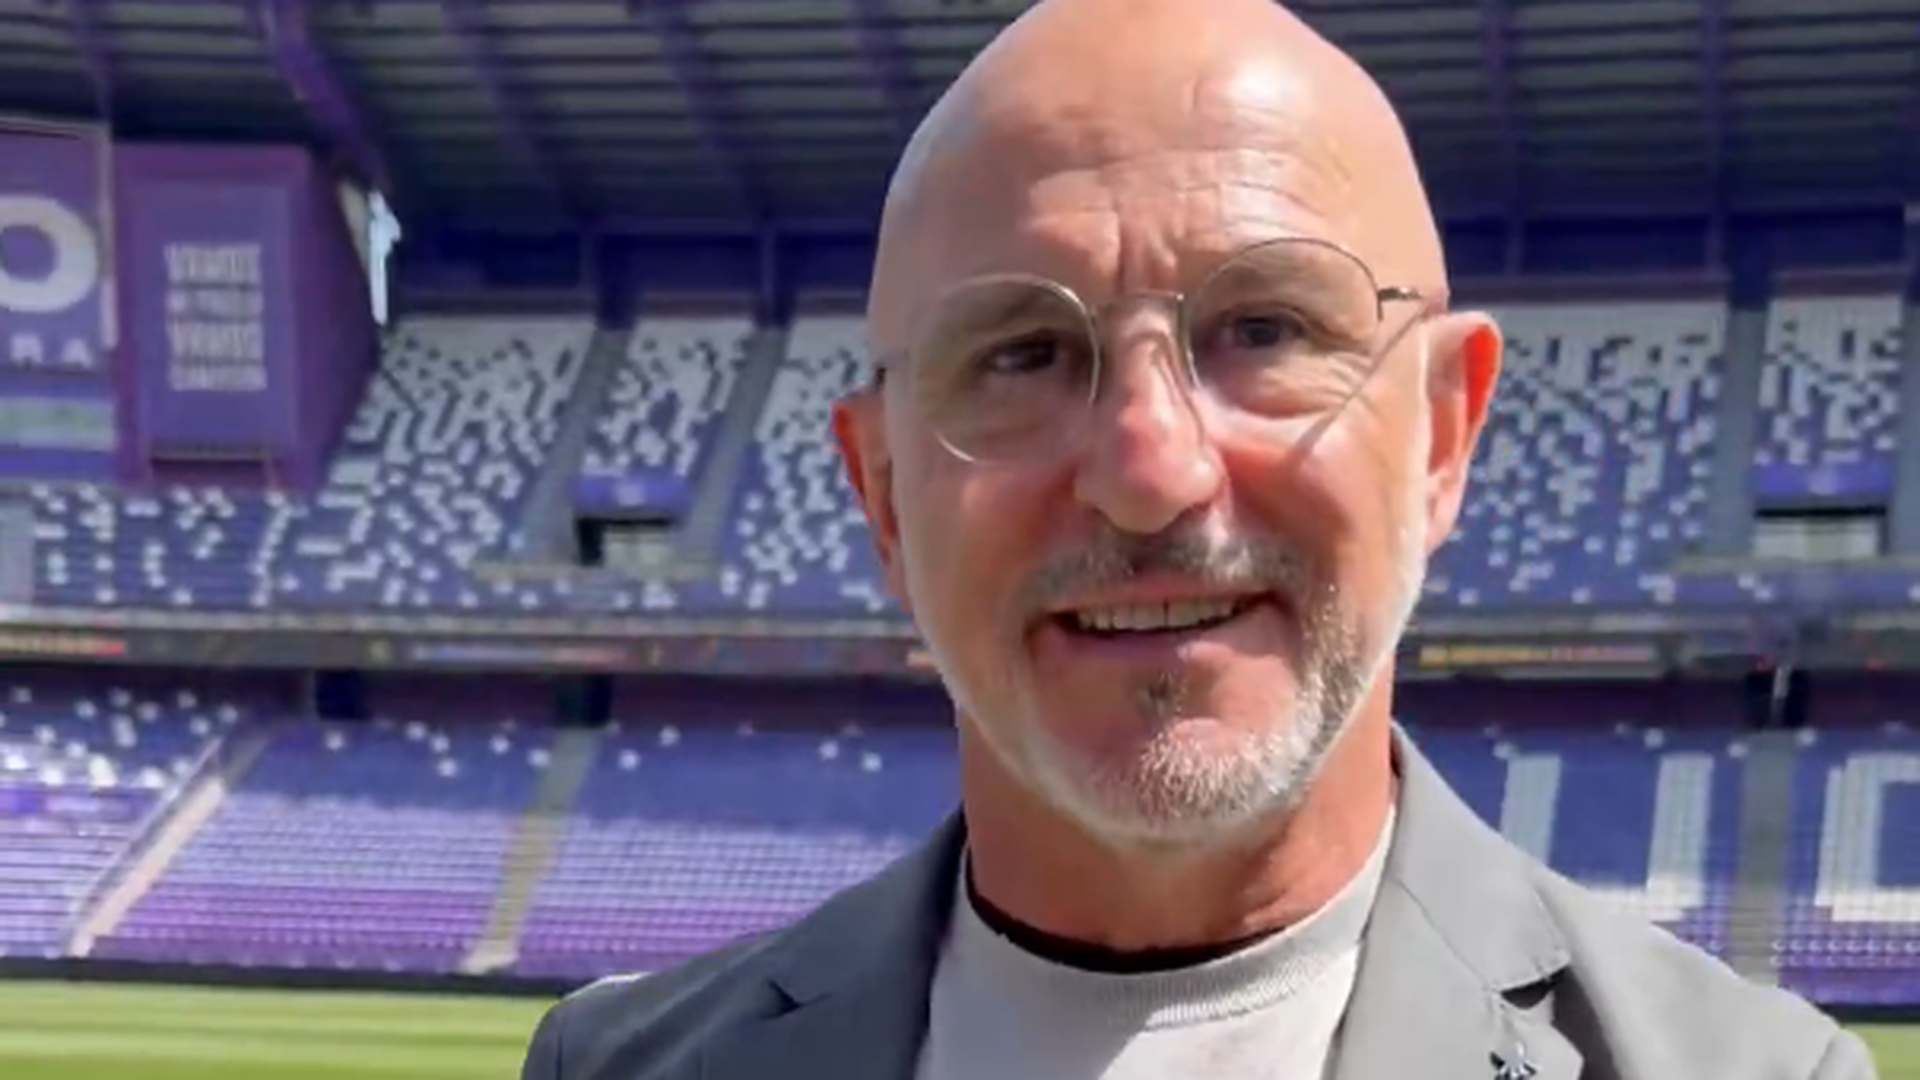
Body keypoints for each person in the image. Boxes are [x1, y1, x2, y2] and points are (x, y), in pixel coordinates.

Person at [518, 0, 1879, 1076]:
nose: (1150, 474)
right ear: (880, 493)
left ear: (1444, 438)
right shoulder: (625, 1068)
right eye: (1026, 352)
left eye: (1268, 329)